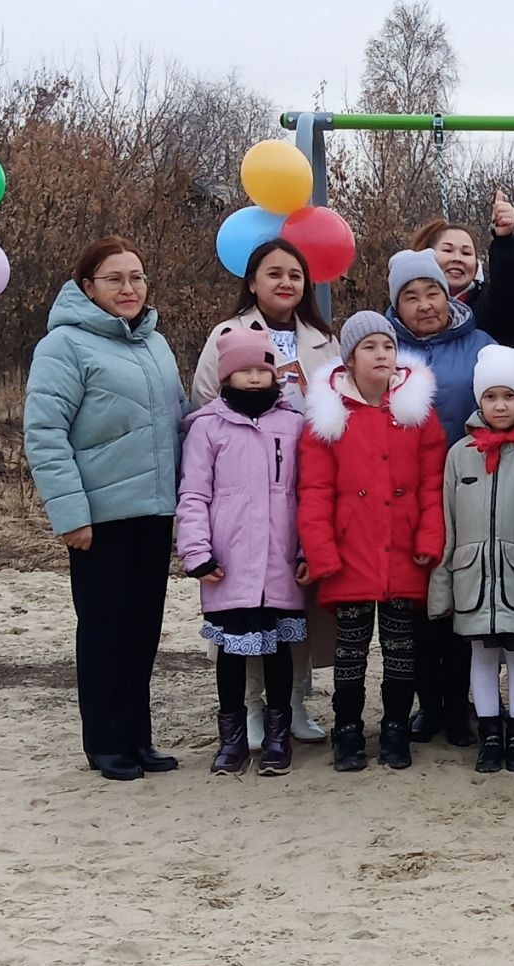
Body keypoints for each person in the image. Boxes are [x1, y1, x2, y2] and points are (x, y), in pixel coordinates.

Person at [24, 236, 188, 781]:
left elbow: (177, 422)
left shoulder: (155, 344)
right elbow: (45, 434)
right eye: (114, 279)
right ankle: (104, 742)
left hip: (154, 512)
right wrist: (70, 515)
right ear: (87, 287)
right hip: (100, 518)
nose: (128, 288)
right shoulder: (63, 346)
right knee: (103, 629)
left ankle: (138, 739)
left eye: (136, 277)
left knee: (143, 630)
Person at [193, 238, 339, 750]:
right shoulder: (226, 334)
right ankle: (251, 710)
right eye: (273, 273)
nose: (285, 283)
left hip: (304, 489)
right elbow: (205, 403)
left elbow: (338, 408)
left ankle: (295, 703)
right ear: (252, 281)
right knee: (246, 612)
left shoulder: (324, 340)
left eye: (295, 275)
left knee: (296, 609)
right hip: (243, 498)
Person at [298, 312, 446, 772]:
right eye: (370, 347)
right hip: (350, 553)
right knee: (351, 650)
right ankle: (348, 731)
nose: (382, 354)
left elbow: (432, 484)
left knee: (402, 649)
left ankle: (397, 729)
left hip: (403, 550)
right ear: (349, 358)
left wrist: (429, 538)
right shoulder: (328, 415)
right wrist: (321, 552)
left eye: (387, 346)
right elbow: (315, 491)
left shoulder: (417, 412)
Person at [177, 328, 308, 777]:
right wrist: (197, 552)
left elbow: (307, 492)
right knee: (231, 654)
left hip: (280, 561)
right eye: (243, 371)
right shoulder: (207, 428)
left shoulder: (292, 425)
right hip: (228, 564)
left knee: (277, 653)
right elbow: (193, 494)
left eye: (261, 370)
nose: (254, 379)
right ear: (226, 376)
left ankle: (278, 736)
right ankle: (231, 739)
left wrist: (307, 548)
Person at [429, 346, 514, 773]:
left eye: (508, 396)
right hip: (473, 580)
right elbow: (447, 524)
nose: (500, 405)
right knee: (482, 658)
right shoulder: (460, 454)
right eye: (490, 397)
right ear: (478, 400)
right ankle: (490, 735)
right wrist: (442, 586)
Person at [385, 248, 497, 747]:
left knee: (460, 603)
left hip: (469, 491)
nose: (425, 304)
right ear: (396, 303)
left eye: (432, 292)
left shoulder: (479, 346)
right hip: (404, 497)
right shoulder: (382, 349)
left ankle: (460, 706)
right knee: (415, 606)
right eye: (411, 296)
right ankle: (425, 705)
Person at [409, 191, 514, 346]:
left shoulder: (486, 307)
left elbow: (513, 300)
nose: (457, 259)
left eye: (466, 253)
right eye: (448, 250)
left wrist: (505, 241)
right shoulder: (405, 306)